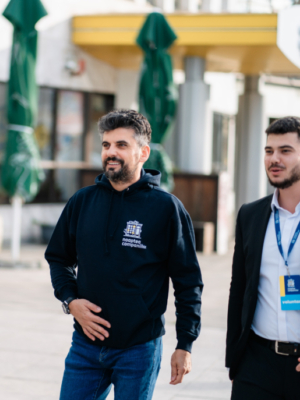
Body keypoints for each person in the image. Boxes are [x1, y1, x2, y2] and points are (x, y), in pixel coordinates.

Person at [45, 109, 203, 400]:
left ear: (143, 153)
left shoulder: (167, 208)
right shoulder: (82, 201)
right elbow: (58, 258)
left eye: (121, 145)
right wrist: (70, 300)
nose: (111, 152)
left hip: (138, 349)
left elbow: (188, 282)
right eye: (106, 145)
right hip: (85, 345)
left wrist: (185, 343)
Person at [226, 116, 300, 399]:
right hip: (256, 364)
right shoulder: (250, 215)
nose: (274, 159)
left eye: (285, 151)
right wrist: (234, 361)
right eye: (269, 151)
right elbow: (239, 289)